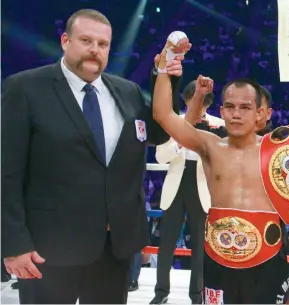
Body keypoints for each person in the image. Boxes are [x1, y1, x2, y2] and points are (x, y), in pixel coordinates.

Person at [151, 28, 289, 304]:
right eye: (230, 106)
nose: (235, 113)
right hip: (218, 258)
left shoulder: (278, 147)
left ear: (259, 113)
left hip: (267, 260)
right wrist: (166, 65)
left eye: (245, 107)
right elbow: (163, 114)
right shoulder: (209, 147)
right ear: (221, 111)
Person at [1, 9, 181, 304]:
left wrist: (165, 78)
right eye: (86, 40)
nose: (95, 50)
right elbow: (6, 172)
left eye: (103, 44)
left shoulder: (128, 91)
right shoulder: (25, 88)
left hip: (114, 247)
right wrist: (13, 242)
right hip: (48, 248)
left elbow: (159, 132)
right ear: (65, 41)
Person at [150, 77, 224, 304]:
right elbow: (160, 157)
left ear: (208, 102)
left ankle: (197, 295)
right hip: (176, 184)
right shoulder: (173, 121)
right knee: (166, 245)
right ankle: (161, 293)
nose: (197, 104)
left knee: (201, 248)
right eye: (193, 99)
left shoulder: (219, 125)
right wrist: (180, 141)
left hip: (203, 188)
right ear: (186, 100)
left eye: (201, 100)